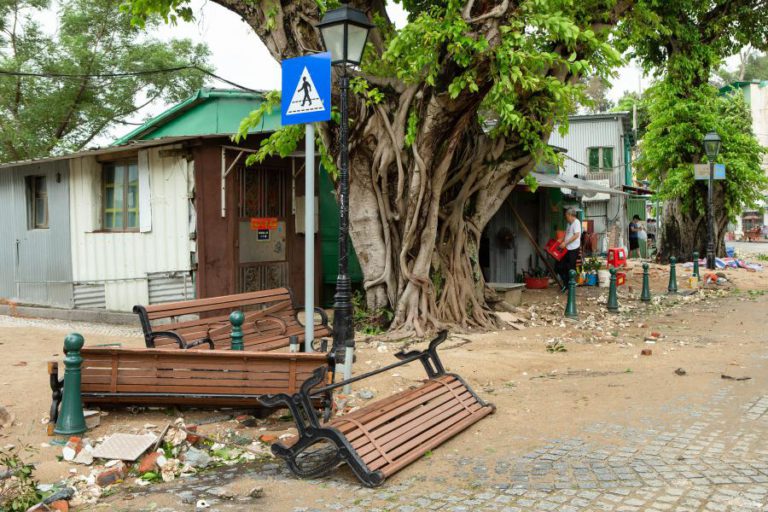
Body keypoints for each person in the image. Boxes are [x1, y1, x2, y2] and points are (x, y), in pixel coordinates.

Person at [556, 208, 581, 291]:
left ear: (570, 215)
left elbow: (576, 235)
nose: (566, 218)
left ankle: (570, 287)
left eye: (567, 216)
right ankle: (566, 284)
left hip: (573, 249)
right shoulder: (569, 223)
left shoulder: (576, 222)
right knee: (560, 266)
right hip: (567, 248)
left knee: (570, 268)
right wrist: (561, 240)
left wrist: (565, 243)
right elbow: (566, 234)